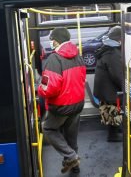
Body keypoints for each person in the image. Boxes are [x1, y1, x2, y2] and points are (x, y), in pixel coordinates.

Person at [38, 27, 86, 174]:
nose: (51, 42)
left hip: (61, 106)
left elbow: (49, 88)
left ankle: (71, 156)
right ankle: (74, 165)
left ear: (56, 40)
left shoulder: (54, 59)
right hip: (78, 103)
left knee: (48, 128)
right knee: (71, 136)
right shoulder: (78, 56)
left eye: (52, 39)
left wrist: (40, 88)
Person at [93, 26, 123, 142]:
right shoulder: (113, 54)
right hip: (109, 89)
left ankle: (115, 130)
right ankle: (113, 136)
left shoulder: (106, 48)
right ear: (119, 39)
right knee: (113, 110)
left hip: (104, 88)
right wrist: (126, 87)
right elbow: (117, 74)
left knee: (110, 111)